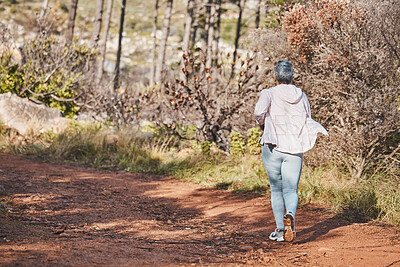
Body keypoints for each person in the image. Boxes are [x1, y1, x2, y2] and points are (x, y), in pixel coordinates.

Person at [254, 60, 328, 242]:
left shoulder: (268, 93)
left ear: (275, 76)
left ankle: (280, 229)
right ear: (291, 76)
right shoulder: (302, 96)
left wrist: (264, 125)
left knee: (276, 189)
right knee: (290, 189)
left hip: (272, 146)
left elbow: (258, 112)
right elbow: (307, 118)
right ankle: (291, 215)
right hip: (295, 148)